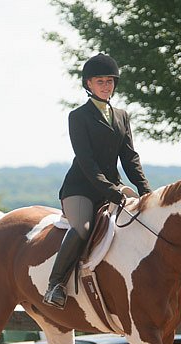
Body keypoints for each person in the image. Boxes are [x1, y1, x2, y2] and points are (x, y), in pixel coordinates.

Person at [43, 52, 153, 309]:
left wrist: (146, 192)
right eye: (100, 81)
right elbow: (87, 161)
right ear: (88, 84)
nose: (106, 86)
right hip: (80, 189)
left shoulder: (122, 116)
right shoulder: (78, 116)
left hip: (111, 189)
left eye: (110, 81)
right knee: (83, 228)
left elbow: (129, 158)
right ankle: (55, 284)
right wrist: (111, 189)